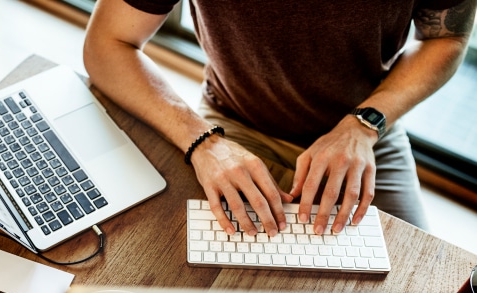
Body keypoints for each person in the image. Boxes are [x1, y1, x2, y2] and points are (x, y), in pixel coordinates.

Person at [83, 0, 476, 237]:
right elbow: (108, 44)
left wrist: (364, 124)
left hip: (367, 124)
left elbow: (447, 38)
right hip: (233, 123)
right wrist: (203, 141)